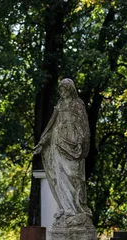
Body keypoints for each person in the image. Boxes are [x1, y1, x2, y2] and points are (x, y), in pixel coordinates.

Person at [34, 78, 92, 227]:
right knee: (61, 178)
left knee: (75, 177)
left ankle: (78, 209)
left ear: (71, 89)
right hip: (58, 145)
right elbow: (52, 126)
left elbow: (84, 126)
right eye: (60, 89)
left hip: (73, 146)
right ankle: (67, 210)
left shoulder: (78, 105)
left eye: (64, 89)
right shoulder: (59, 105)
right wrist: (42, 142)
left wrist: (81, 142)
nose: (62, 92)